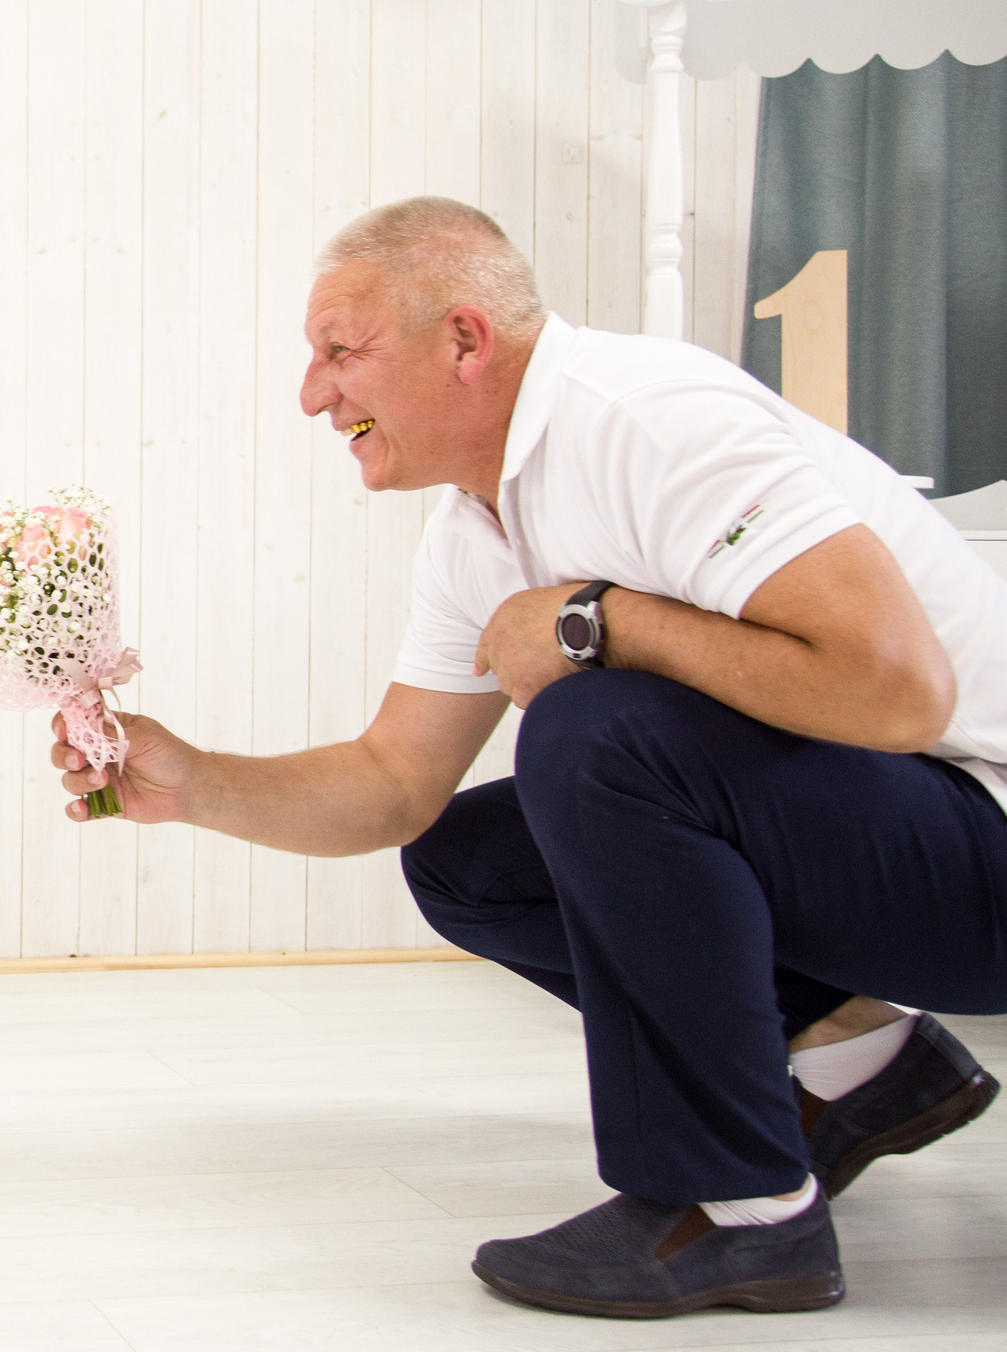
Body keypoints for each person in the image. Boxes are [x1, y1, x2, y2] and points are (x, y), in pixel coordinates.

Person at [51, 197, 1005, 1319]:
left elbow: (899, 690)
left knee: (596, 733)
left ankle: (738, 1210)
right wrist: (195, 780)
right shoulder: (478, 527)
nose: (315, 395)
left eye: (339, 353)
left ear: (464, 338)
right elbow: (393, 785)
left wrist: (596, 621)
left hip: (980, 845)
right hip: (895, 858)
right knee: (469, 860)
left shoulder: (646, 420)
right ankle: (864, 1068)